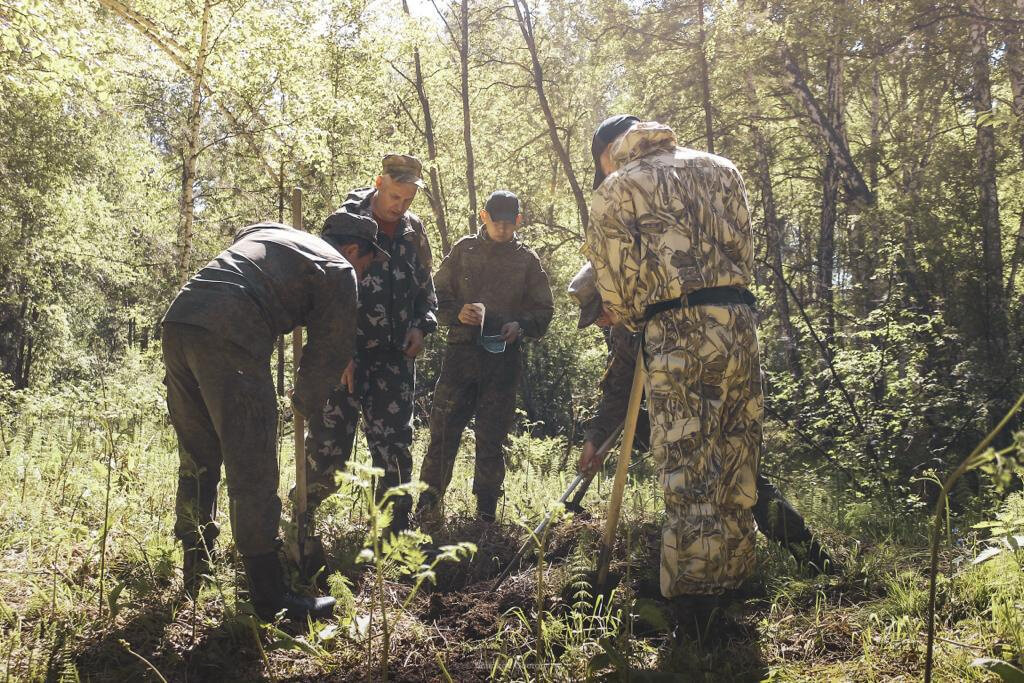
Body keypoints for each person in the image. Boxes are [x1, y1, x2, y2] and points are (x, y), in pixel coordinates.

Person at [161, 215, 386, 621]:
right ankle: (268, 598)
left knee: (198, 456)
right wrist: (305, 402)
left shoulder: (272, 233)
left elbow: (243, 240)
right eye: (366, 264)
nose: (363, 273)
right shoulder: (338, 268)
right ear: (353, 250)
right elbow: (331, 351)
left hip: (180, 319)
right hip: (232, 332)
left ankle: (196, 570)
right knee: (253, 466)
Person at [582, 115, 764, 612]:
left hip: (678, 328)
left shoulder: (617, 189)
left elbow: (615, 285)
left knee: (689, 462)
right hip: (740, 321)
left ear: (613, 152)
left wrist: (633, 310)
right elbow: (746, 247)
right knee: (736, 453)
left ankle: (693, 601)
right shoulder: (723, 168)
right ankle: (736, 580)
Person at [568, 263, 837, 575]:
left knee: (738, 475)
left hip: (717, 397)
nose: (599, 319)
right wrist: (594, 439)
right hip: (682, 415)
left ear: (617, 291)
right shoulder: (623, 331)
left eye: (600, 308)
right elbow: (618, 391)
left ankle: (811, 556)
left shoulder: (671, 310)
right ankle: (715, 568)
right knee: (720, 477)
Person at [305, 154, 437, 536]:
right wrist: (336, 351)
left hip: (395, 358)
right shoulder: (343, 224)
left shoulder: (414, 231)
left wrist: (421, 327)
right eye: (395, 196)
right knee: (328, 448)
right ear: (379, 183)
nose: (401, 206)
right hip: (345, 356)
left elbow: (425, 289)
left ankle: (394, 536)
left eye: (409, 199)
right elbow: (320, 293)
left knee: (395, 448)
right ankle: (302, 525)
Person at [416, 190, 554, 523]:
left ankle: (486, 514)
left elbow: (544, 310)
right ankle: (427, 506)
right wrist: (455, 313)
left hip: (502, 362)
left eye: (509, 223)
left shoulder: (527, 260)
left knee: (492, 437)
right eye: (496, 222)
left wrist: (519, 326)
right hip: (460, 358)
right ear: (484, 217)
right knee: (444, 432)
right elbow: (433, 296)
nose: (503, 229)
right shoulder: (464, 250)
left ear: (518, 222)